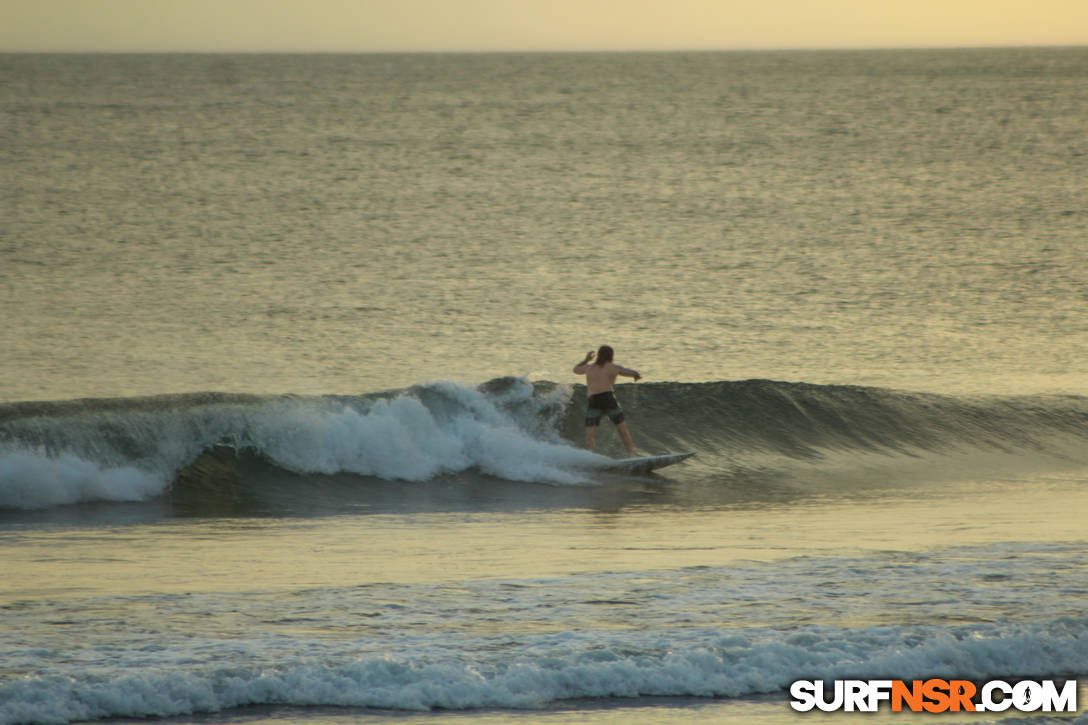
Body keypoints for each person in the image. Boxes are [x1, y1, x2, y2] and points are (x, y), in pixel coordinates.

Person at [573, 345, 641, 456]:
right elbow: (628, 371)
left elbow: (575, 370)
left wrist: (586, 359)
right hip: (608, 399)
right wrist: (636, 375)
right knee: (622, 430)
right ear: (611, 356)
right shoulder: (613, 367)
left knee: (590, 435)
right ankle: (630, 455)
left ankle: (590, 457)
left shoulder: (589, 367)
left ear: (599, 355)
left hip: (594, 401)